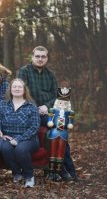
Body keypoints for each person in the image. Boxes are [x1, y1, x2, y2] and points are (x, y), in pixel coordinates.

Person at [17, 46, 78, 181]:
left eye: (43, 56)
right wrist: (36, 107)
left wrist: (46, 106)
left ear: (47, 58)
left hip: (48, 112)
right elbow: (20, 92)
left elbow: (56, 97)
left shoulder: (50, 75)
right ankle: (64, 170)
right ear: (32, 57)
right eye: (37, 56)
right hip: (29, 112)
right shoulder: (24, 72)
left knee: (60, 131)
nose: (40, 59)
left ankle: (67, 170)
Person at [0, 78, 40, 188]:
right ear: (10, 89)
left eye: (20, 87)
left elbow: (35, 127)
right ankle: (17, 173)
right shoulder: (3, 104)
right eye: (14, 87)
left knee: (20, 149)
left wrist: (18, 139)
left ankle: (29, 176)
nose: (17, 89)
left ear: (24, 90)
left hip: (29, 138)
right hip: (8, 137)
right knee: (4, 148)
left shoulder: (31, 106)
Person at [46, 87, 75, 181]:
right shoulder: (53, 111)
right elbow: (49, 120)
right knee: (52, 152)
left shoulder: (69, 113)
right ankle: (51, 172)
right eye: (61, 102)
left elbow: (71, 123)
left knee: (60, 153)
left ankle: (58, 173)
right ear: (57, 102)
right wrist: (50, 122)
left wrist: (70, 124)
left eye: (65, 103)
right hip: (54, 132)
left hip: (63, 133)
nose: (62, 104)